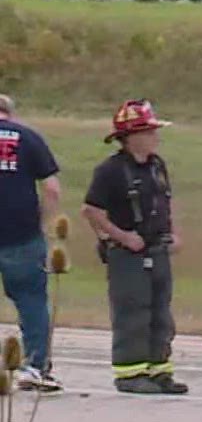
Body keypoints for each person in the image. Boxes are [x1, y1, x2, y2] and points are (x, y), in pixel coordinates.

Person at [82, 100, 187, 395]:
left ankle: (159, 370)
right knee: (133, 313)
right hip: (127, 256)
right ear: (133, 136)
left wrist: (173, 233)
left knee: (160, 313)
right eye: (150, 131)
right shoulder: (109, 171)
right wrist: (122, 236)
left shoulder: (156, 166)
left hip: (158, 250)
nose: (156, 137)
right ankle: (130, 374)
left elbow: (165, 202)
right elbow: (91, 211)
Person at [0, 94, 62, 391]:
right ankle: (35, 366)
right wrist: (44, 224)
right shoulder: (29, 138)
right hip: (21, 233)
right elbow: (51, 189)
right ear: (9, 114)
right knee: (31, 300)